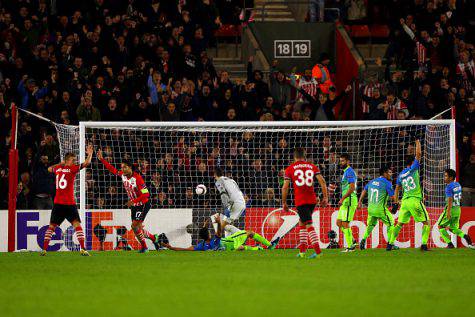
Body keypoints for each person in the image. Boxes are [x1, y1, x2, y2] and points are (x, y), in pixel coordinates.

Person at [97, 149, 159, 253]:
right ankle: (153, 238)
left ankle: (145, 247)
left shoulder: (138, 178)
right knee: (137, 228)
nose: (123, 169)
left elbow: (146, 194)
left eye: (125, 167)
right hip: (134, 205)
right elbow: (112, 170)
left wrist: (133, 201)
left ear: (130, 168)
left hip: (143, 204)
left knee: (134, 226)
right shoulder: (123, 175)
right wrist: (102, 159)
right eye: (122, 168)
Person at [41, 145, 93, 256]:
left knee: (52, 227)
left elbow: (49, 169)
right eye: (72, 160)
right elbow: (86, 164)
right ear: (67, 160)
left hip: (58, 204)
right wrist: (89, 154)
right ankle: (83, 249)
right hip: (69, 203)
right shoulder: (72, 169)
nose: (74, 162)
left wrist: (61, 163)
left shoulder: (58, 169)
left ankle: (44, 249)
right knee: (77, 225)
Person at [282, 148, 328, 259]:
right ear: (304, 156)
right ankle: (302, 252)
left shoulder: (290, 169)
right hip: (312, 200)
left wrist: (284, 202)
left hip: (301, 201)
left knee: (308, 224)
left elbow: (285, 187)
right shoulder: (312, 166)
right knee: (302, 223)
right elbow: (322, 181)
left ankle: (318, 252)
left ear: (294, 157)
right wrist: (325, 197)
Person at [391, 140, 431, 251]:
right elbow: (418, 154)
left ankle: (390, 244)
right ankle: (424, 245)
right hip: (414, 200)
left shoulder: (401, 174)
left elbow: (397, 189)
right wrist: (418, 142)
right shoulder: (414, 168)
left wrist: (395, 202)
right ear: (412, 162)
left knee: (399, 224)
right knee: (426, 222)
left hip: (404, 202)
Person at [163, 215, 277, 251]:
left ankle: (257, 249)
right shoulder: (215, 241)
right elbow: (219, 231)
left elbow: (185, 250)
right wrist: (218, 222)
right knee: (249, 232)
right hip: (232, 241)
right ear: (208, 235)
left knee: (242, 248)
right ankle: (269, 245)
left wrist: (171, 247)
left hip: (230, 249)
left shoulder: (202, 246)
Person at [358, 165, 399, 251]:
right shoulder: (387, 183)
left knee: (371, 225)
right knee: (391, 223)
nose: (391, 174)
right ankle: (390, 243)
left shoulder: (372, 181)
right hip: (380, 209)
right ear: (384, 173)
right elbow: (393, 197)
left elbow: (364, 190)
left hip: (371, 209)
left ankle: (363, 240)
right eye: (389, 172)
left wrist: (359, 201)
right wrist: (397, 203)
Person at [437, 169, 474, 249]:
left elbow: (450, 199)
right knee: (453, 228)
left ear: (451, 178)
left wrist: (448, 212)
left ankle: (449, 244)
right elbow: (460, 198)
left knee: (440, 226)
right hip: (458, 209)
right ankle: (465, 236)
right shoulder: (458, 184)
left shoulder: (448, 187)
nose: (444, 177)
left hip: (451, 209)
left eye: (446, 176)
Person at [214, 167, 246, 236]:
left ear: (214, 175)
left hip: (235, 204)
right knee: (227, 224)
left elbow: (223, 194)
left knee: (222, 225)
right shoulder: (231, 180)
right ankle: (228, 243)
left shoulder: (219, 181)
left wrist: (226, 207)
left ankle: (245, 235)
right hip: (241, 202)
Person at [337, 154, 358, 252]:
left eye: (343, 161)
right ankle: (352, 241)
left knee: (345, 223)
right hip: (345, 200)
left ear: (348, 161)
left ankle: (351, 247)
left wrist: (343, 198)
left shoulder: (349, 171)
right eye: (340, 161)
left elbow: (352, 187)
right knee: (339, 223)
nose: (341, 163)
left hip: (349, 199)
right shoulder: (345, 172)